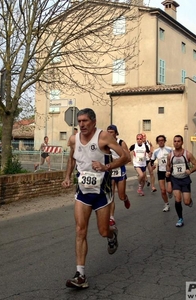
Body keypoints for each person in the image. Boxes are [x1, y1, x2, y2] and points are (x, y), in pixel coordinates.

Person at [62, 108, 128, 289]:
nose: (81, 124)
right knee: (80, 230)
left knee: (103, 231)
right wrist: (67, 176)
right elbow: (71, 159)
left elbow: (126, 156)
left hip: (102, 193)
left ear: (93, 121)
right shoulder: (74, 139)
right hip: (83, 192)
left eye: (85, 121)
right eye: (79, 121)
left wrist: (107, 166)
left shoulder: (104, 137)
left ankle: (112, 233)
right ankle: (80, 275)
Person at [166, 135, 196, 227]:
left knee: (186, 202)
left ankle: (189, 200)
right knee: (177, 199)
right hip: (175, 179)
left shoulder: (187, 154)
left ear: (182, 142)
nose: (176, 143)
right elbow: (168, 165)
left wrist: (191, 170)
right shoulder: (170, 155)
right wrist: (168, 172)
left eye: (178, 141)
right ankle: (180, 218)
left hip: (185, 180)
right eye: (175, 141)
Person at [106, 125, 131, 230]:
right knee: (111, 195)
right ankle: (111, 217)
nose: (109, 134)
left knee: (120, 196)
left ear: (116, 133)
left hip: (120, 171)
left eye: (111, 132)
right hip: (110, 172)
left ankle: (125, 198)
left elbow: (128, 158)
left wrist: (118, 162)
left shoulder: (121, 143)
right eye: (108, 132)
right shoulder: (105, 144)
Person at [151, 135, 173, 212]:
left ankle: (170, 192)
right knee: (163, 190)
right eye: (159, 140)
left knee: (169, 190)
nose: (161, 141)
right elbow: (152, 161)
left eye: (162, 140)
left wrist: (170, 168)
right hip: (160, 171)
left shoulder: (170, 149)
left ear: (164, 141)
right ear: (157, 142)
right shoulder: (156, 151)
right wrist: (153, 165)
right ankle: (166, 204)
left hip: (169, 171)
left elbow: (174, 159)